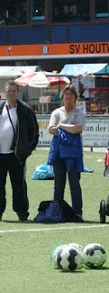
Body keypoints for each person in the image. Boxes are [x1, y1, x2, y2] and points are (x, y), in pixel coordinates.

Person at [0, 80, 39, 221]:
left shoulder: (25, 110)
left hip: (16, 155)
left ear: (18, 92)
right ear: (5, 93)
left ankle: (22, 213)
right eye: (8, 91)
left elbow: (34, 132)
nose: (11, 93)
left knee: (19, 185)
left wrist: (26, 151)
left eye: (14, 91)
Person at [48, 84, 85, 220]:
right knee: (58, 184)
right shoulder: (57, 113)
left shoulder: (79, 113)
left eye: (71, 94)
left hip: (73, 154)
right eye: (66, 94)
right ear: (62, 96)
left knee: (74, 184)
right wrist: (68, 128)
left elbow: (78, 129)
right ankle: (57, 211)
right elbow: (51, 129)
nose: (68, 97)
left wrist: (61, 126)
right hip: (58, 153)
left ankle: (77, 212)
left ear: (75, 97)